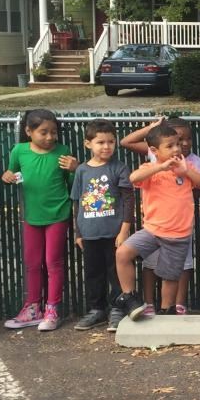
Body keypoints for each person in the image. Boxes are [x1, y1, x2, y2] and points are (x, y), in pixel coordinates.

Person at [117, 123, 200, 320]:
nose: (177, 149)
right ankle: (129, 297)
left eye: (177, 144)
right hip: (152, 231)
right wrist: (159, 167)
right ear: (154, 150)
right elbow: (134, 178)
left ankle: (167, 311)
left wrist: (185, 171)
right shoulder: (150, 169)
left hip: (178, 235)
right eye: (170, 146)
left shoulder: (187, 167)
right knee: (123, 253)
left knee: (170, 278)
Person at [1, 109, 77, 331]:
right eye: (43, 132)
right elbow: (11, 173)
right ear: (28, 131)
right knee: (33, 263)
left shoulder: (63, 151)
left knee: (53, 262)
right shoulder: (19, 151)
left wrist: (74, 169)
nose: (50, 137)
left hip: (58, 214)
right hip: (31, 216)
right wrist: (7, 176)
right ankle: (33, 308)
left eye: (53, 132)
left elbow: (72, 184)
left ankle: (52, 309)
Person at [70, 120, 134, 331]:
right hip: (89, 233)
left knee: (115, 272)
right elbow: (78, 201)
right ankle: (96, 310)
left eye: (111, 142)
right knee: (93, 273)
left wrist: (124, 230)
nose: (106, 147)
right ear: (88, 144)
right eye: (100, 142)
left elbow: (128, 200)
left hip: (114, 233)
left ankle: (117, 308)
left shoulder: (119, 168)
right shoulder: (81, 171)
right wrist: (78, 232)